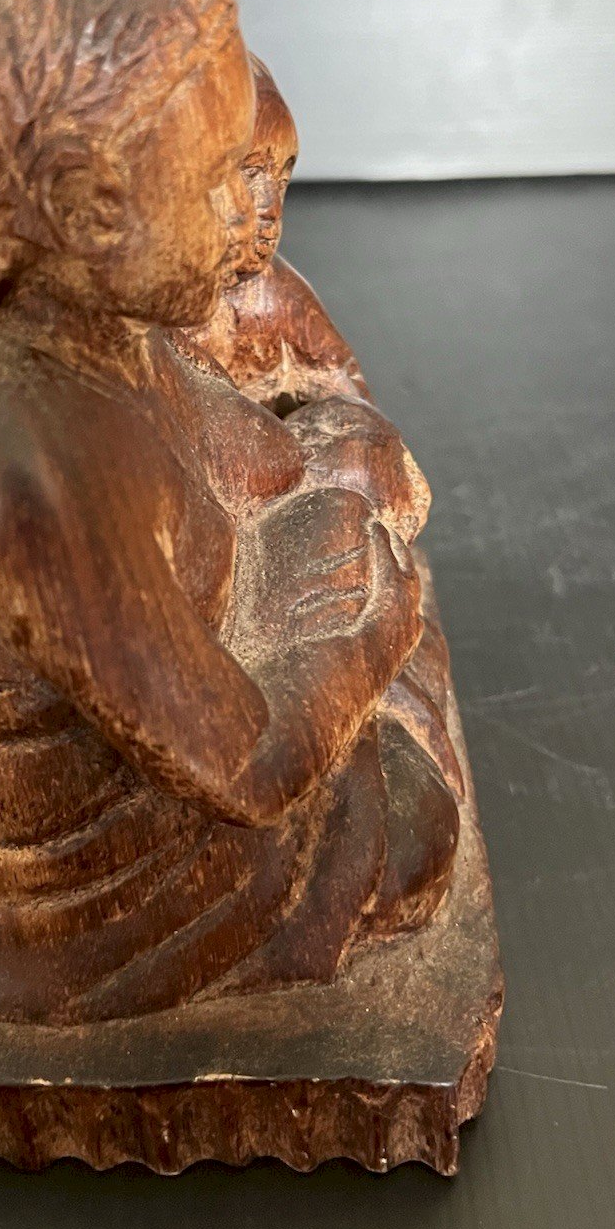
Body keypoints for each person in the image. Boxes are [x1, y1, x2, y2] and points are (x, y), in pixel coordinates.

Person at [0, 0, 458, 1025]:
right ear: (88, 210)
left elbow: (246, 459)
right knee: (418, 819)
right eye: (216, 182)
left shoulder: (110, 318)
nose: (252, 221)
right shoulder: (24, 465)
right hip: (93, 902)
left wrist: (327, 479)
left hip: (201, 688)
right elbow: (247, 768)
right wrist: (366, 640)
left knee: (384, 584)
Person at [190, 54, 466, 798]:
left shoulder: (272, 297)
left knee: (361, 457)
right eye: (247, 174)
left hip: (298, 508)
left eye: (281, 177)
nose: (268, 207)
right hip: (215, 539)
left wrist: (335, 441)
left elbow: (348, 391)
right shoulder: (141, 322)